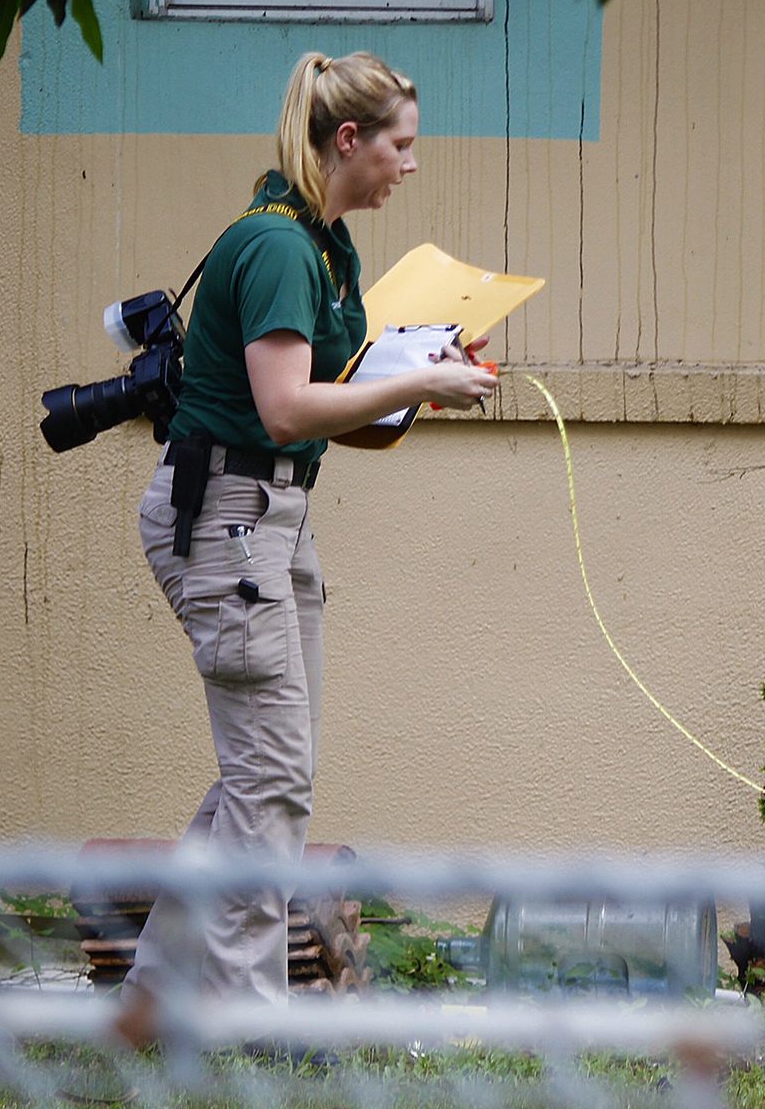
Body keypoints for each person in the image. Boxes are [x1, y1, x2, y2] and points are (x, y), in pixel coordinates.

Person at [115, 52, 499, 1046]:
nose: (410, 165)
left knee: (266, 772)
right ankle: (248, 1032)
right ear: (347, 142)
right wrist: (409, 386)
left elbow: (343, 414)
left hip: (272, 519)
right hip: (229, 517)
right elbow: (288, 408)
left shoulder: (327, 250)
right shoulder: (278, 245)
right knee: (273, 778)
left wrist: (420, 376)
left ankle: (151, 999)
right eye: (400, 145)